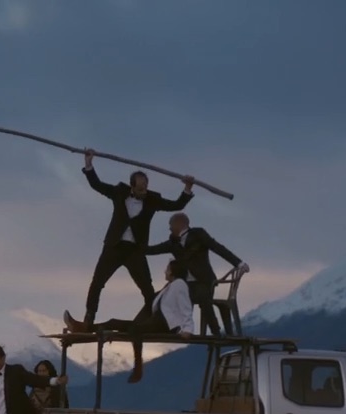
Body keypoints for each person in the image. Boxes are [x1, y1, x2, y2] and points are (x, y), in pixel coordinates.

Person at [74, 149, 195, 332]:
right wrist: (89, 164)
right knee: (97, 282)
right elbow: (97, 185)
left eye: (145, 187)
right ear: (132, 187)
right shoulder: (119, 192)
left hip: (135, 250)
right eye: (139, 189)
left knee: (147, 288)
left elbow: (176, 205)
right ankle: (88, 320)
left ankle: (155, 321)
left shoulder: (152, 199)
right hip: (114, 246)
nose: (143, 191)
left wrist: (187, 188)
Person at [64, 259, 194, 384]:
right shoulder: (171, 286)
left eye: (168, 269)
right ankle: (84, 327)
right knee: (114, 323)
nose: (165, 271)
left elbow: (186, 307)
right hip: (158, 320)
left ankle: (138, 367)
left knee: (134, 329)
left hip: (165, 323)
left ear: (173, 272)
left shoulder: (179, 284)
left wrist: (188, 329)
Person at [145, 212, 250, 336]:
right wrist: (134, 246)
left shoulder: (198, 234)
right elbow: (154, 250)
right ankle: (162, 327)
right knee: (163, 295)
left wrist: (238, 263)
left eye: (171, 225)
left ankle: (215, 331)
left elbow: (217, 248)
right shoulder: (173, 242)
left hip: (204, 282)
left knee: (202, 295)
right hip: (185, 285)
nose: (170, 228)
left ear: (179, 223)